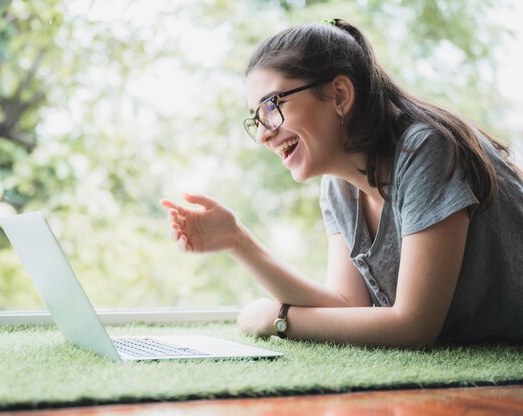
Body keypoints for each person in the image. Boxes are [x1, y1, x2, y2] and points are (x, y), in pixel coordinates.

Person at [160, 18, 523, 348]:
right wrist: (237, 241)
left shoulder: (424, 149)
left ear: (340, 95)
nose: (262, 136)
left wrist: (281, 319)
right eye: (256, 119)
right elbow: (347, 306)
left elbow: (414, 327)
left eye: (271, 107)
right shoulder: (339, 186)